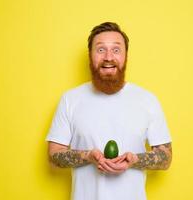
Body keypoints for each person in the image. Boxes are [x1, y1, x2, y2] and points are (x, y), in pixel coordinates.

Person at [46, 22, 172, 200]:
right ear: (90, 56)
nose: (108, 57)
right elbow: (53, 156)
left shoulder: (147, 100)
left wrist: (134, 160)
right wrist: (87, 155)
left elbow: (165, 158)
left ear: (126, 56)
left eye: (116, 50)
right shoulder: (70, 99)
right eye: (100, 50)